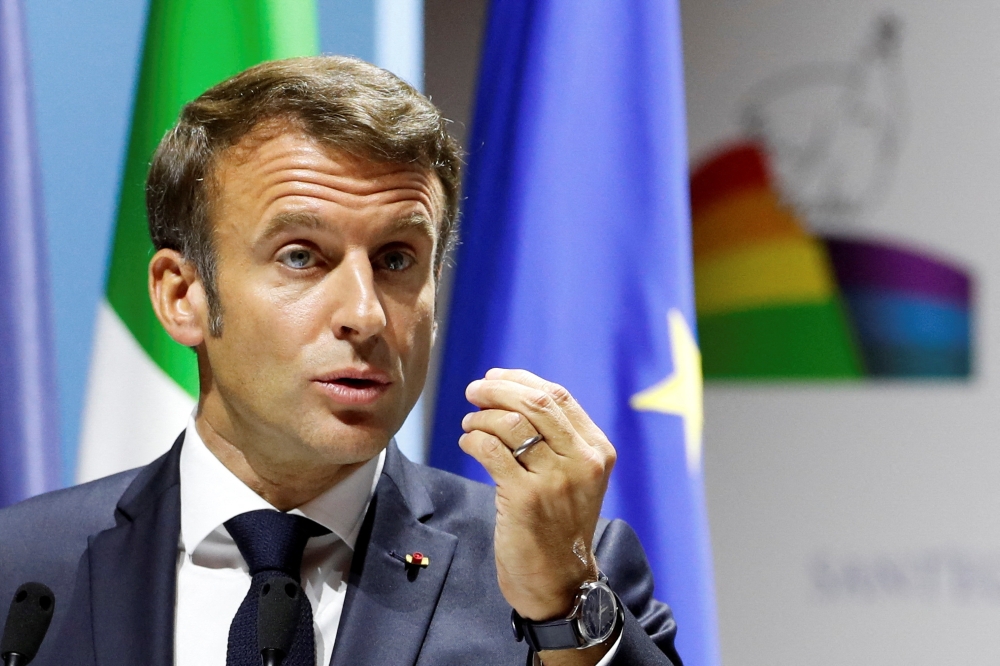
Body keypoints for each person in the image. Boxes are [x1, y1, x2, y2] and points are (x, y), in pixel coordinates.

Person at [0, 56, 681, 666]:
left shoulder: (562, 579)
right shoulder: (20, 570)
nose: (366, 313)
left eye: (397, 260)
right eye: (301, 256)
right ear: (183, 296)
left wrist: (564, 615)